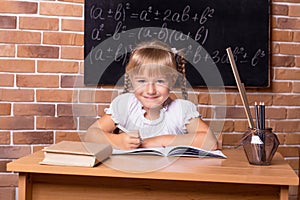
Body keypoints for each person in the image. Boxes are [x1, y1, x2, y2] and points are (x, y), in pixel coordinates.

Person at [85, 40, 217, 150]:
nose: (150, 90)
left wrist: (153, 142)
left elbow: (210, 142)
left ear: (171, 81)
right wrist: (118, 141)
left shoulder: (180, 109)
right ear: (131, 80)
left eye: (160, 81)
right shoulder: (125, 105)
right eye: (142, 81)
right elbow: (91, 135)